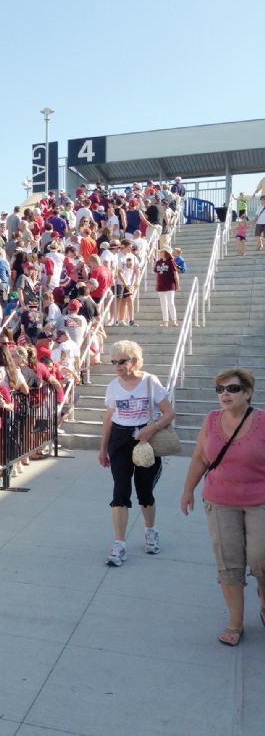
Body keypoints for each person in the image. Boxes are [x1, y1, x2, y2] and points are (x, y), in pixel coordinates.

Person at [180, 368, 265, 646]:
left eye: (232, 389)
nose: (225, 394)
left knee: (260, 560)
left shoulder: (263, 421)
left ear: (248, 393)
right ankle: (235, 623)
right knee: (228, 564)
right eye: (220, 390)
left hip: (259, 501)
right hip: (219, 499)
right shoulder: (211, 419)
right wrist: (188, 489)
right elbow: (201, 457)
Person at [99, 340, 175, 567]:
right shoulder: (113, 386)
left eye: (121, 362)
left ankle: (150, 531)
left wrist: (151, 429)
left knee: (144, 490)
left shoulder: (150, 381)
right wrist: (102, 448)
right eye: (113, 362)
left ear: (134, 360)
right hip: (120, 440)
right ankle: (119, 544)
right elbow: (108, 419)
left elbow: (169, 412)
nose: (117, 367)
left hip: (147, 440)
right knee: (120, 489)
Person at [153, 246, 180, 328]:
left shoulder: (171, 261)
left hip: (170, 285)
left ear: (166, 252)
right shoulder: (158, 262)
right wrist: (156, 284)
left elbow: (175, 274)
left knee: (170, 303)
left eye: (162, 251)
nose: (160, 253)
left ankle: (174, 320)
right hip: (161, 285)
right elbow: (157, 275)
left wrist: (177, 284)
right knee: (163, 303)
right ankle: (165, 321)